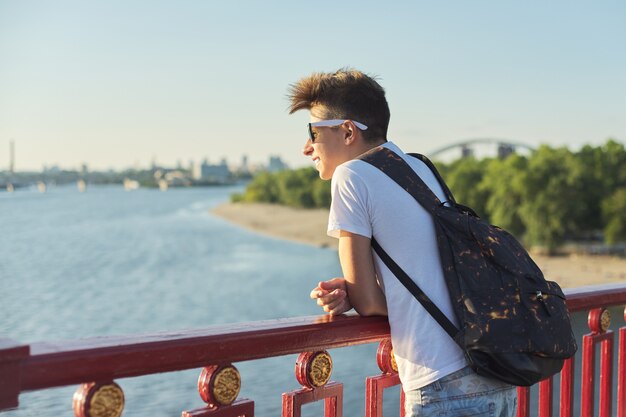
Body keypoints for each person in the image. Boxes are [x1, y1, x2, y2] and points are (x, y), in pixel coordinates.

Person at [287, 68, 517, 417]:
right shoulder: (419, 167)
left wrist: (356, 292)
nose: (307, 148)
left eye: (313, 132)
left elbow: (368, 304)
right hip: (493, 375)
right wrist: (358, 289)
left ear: (347, 131)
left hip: (442, 383)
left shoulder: (351, 176)